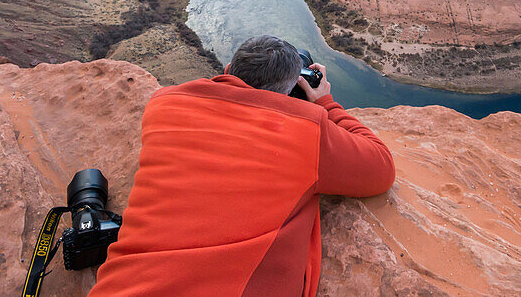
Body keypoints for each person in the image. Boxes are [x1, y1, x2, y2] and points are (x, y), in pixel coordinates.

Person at [88, 35, 395, 296]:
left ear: (228, 70)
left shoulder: (163, 105)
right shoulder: (307, 133)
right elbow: (381, 168)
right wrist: (325, 103)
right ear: (290, 92)